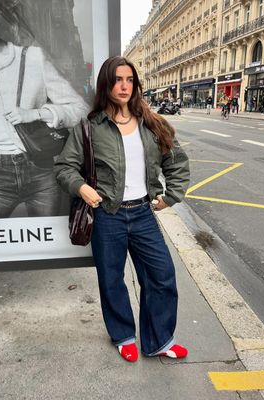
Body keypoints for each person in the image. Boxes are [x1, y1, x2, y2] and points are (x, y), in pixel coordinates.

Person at [56, 56, 190, 362]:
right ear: (107, 84)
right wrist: (82, 188)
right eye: (118, 79)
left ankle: (159, 340)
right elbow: (64, 167)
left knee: (162, 276)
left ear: (136, 84)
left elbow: (177, 162)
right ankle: (123, 335)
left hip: (143, 213)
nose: (124, 86)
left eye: (129, 80)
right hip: (107, 216)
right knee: (111, 278)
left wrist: (171, 196)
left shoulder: (152, 123)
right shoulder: (90, 127)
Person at [0, 0, 88, 219]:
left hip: (42, 172)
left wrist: (36, 113)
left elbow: (80, 108)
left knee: (47, 247)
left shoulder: (32, 58)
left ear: (5, 13)